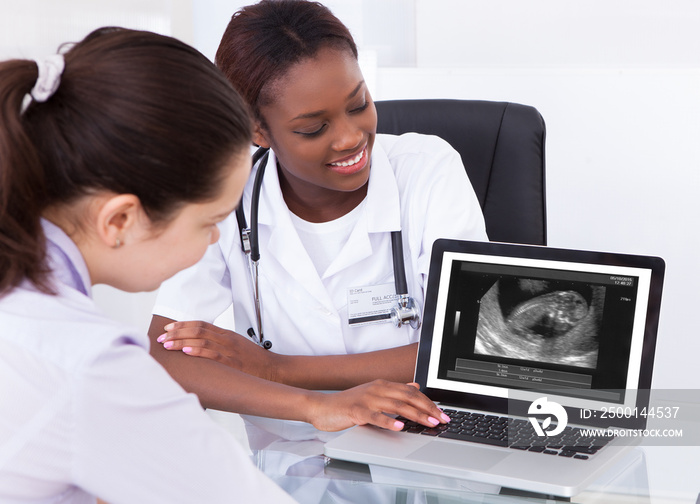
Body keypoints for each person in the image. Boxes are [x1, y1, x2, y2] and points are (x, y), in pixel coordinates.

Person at [0, 26, 446, 503]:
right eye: (209, 221)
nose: (217, 236)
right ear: (121, 219)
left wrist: (284, 376)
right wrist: (305, 396)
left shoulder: (32, 318)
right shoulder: (93, 368)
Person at [151, 0, 487, 397]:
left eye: (358, 104)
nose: (350, 137)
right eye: (313, 128)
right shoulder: (226, 196)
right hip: (286, 454)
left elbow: (466, 347)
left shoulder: (427, 171)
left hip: (418, 443)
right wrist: (317, 408)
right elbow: (166, 356)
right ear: (258, 131)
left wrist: (275, 370)